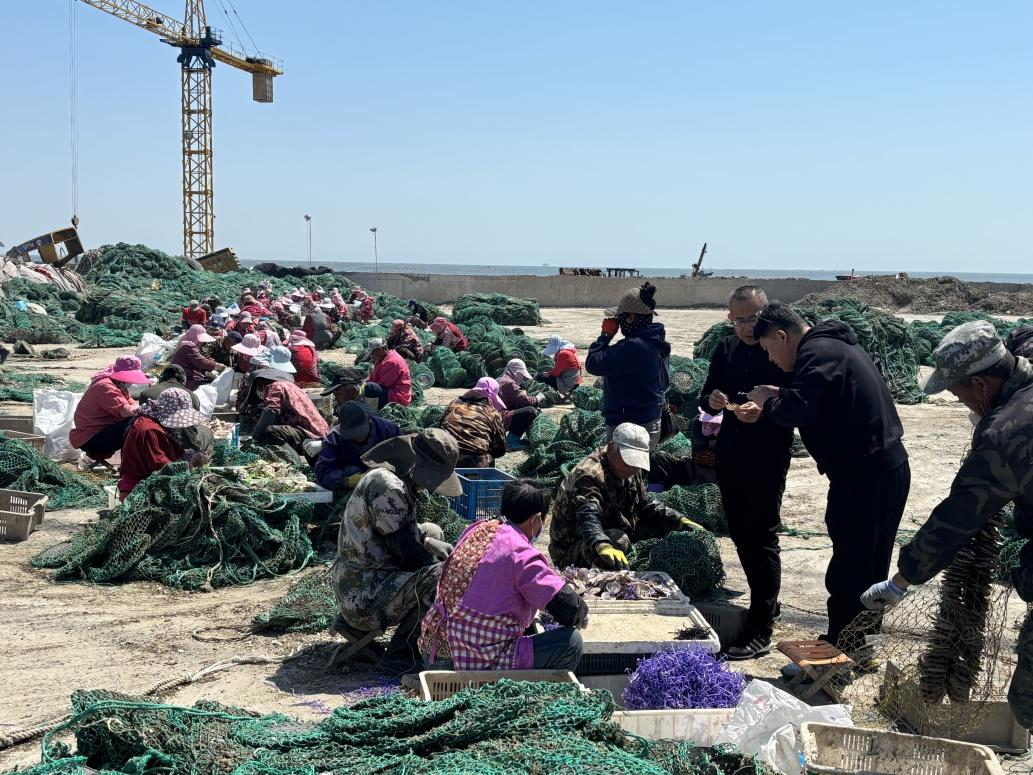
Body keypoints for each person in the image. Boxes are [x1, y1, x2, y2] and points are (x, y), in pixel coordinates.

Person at [861, 321, 1033, 725]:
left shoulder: (1006, 433)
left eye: (959, 395)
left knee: (1028, 700)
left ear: (980, 384)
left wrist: (900, 580)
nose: (964, 405)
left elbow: (957, 518)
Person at [748, 302, 910, 647]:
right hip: (886, 467)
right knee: (870, 563)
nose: (771, 360)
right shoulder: (833, 346)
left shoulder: (816, 352)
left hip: (864, 475)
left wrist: (766, 402)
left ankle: (840, 645)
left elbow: (801, 409)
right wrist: (781, 394)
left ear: (782, 336)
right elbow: (821, 396)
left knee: (850, 566)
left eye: (769, 350)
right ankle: (861, 641)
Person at [699, 286, 794, 659]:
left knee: (762, 536)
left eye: (753, 318)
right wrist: (714, 401)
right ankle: (766, 600)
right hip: (731, 451)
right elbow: (707, 395)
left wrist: (765, 411)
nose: (746, 327)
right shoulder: (726, 348)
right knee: (740, 533)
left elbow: (796, 399)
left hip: (768, 454)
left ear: (767, 313)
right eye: (738, 320)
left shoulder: (780, 349)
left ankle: (761, 627)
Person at [420, 479, 589, 671]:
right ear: (536, 520)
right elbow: (569, 608)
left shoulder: (479, 528)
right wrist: (581, 612)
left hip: (432, 650)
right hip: (464, 662)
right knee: (571, 643)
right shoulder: (520, 553)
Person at [332, 428, 461, 672]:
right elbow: (410, 556)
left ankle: (412, 635)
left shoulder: (394, 476)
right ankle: (402, 654)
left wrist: (428, 540)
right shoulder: (388, 487)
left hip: (364, 576)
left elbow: (398, 531)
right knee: (441, 577)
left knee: (433, 531)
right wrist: (447, 573)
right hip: (361, 597)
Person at [549, 423, 702, 570]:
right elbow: (588, 515)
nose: (632, 468)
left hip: (616, 526)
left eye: (636, 462)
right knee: (619, 540)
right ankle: (606, 578)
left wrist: (678, 520)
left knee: (667, 528)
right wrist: (602, 544)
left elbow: (644, 503)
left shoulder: (631, 469)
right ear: (611, 448)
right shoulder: (589, 474)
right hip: (575, 546)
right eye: (628, 460)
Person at [585, 282, 670, 449]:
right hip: (651, 420)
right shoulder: (656, 341)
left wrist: (605, 335)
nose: (618, 322)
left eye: (620, 318)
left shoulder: (633, 347)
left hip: (630, 427)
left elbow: (593, 363)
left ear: (630, 317)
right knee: (641, 465)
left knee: (620, 466)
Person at [118, 388, 213, 500]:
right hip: (139, 491)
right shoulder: (150, 430)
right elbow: (162, 471)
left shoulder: (155, 422)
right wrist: (191, 460)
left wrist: (188, 455)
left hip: (150, 485)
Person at [70, 356, 151, 461]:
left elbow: (131, 403)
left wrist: (137, 407)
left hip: (101, 432)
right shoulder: (106, 387)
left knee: (139, 418)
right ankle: (135, 462)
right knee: (137, 421)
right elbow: (127, 412)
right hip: (91, 437)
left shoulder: (119, 386)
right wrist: (143, 407)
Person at [316, 401, 402, 491]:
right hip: (351, 484)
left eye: (361, 432)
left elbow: (405, 458)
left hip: (385, 478)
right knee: (352, 470)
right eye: (353, 434)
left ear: (369, 420)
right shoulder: (334, 437)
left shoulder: (389, 430)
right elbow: (323, 472)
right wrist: (345, 481)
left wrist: (386, 471)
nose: (358, 438)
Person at [251, 367, 330, 462]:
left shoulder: (275, 386)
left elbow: (271, 411)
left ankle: (295, 461)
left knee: (271, 431)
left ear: (260, 384)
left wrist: (255, 436)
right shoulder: (291, 386)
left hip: (310, 433)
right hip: (318, 432)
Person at [440, 376, 508, 467]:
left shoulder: (454, 403)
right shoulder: (492, 413)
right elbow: (500, 448)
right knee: (489, 455)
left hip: (445, 455)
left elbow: (440, 427)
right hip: (473, 462)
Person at [497, 358, 544, 450]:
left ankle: (514, 438)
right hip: (499, 417)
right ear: (516, 372)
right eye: (521, 375)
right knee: (530, 411)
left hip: (497, 414)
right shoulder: (509, 383)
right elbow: (525, 401)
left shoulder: (501, 378)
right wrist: (538, 398)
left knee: (527, 409)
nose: (522, 378)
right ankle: (511, 441)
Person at [171, 324, 222, 390]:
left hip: (180, 374)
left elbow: (200, 357)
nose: (201, 342)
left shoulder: (184, 343)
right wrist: (216, 365)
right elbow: (201, 362)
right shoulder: (188, 346)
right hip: (185, 378)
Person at [365, 338, 412, 409]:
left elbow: (384, 384)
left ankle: (371, 412)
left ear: (380, 350)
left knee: (371, 388)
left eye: (373, 353)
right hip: (388, 390)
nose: (371, 355)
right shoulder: (383, 357)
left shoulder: (393, 362)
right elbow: (373, 377)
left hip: (397, 396)